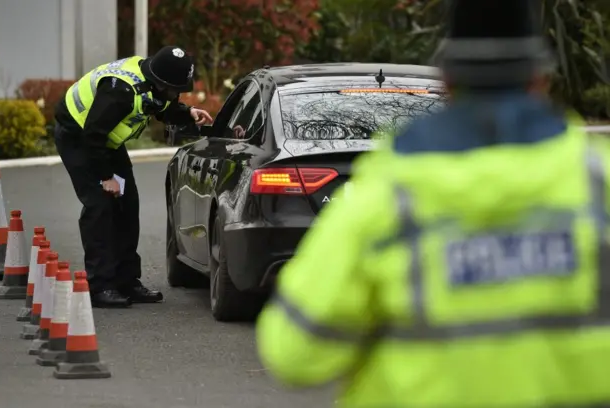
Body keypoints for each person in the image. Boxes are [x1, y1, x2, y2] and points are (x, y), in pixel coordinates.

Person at [255, 0, 610, 406]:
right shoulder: (600, 184)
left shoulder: (386, 198)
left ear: (448, 82)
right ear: (542, 79)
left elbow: (294, 354)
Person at [54, 46, 213, 308]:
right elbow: (93, 134)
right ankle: (100, 286)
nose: (178, 94)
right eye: (176, 90)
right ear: (161, 82)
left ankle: (127, 280)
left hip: (108, 143)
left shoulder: (153, 81)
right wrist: (106, 177)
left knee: (128, 205)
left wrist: (186, 113)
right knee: (99, 205)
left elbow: (158, 105)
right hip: (79, 137)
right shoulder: (120, 92)